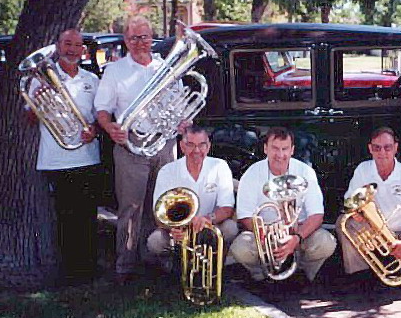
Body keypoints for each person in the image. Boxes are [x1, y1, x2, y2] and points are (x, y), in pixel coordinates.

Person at [94, 15, 178, 284]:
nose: (139, 43)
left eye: (144, 37)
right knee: (130, 208)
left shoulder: (166, 68)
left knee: (163, 205)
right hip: (131, 145)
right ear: (126, 41)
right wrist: (110, 128)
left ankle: (158, 258)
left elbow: (177, 104)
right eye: (133, 38)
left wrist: (182, 119)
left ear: (151, 38)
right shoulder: (115, 71)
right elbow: (102, 110)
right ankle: (126, 265)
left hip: (164, 144)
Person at [25, 28, 101, 283]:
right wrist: (39, 103)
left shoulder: (92, 79)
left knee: (88, 214)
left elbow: (101, 116)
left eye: (77, 45)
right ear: (58, 47)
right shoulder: (40, 79)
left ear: (83, 50)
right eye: (67, 44)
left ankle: (90, 268)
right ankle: (70, 271)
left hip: (88, 157)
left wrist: (95, 130)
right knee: (66, 216)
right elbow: (28, 118)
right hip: (57, 158)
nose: (72, 50)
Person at [230, 127, 336, 285]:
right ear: (266, 148)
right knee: (241, 248)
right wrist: (267, 236)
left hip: (299, 233)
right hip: (265, 233)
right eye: (275, 148)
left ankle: (303, 273)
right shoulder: (252, 173)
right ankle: (261, 276)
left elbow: (317, 215)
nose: (280, 155)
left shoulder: (305, 172)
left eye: (285, 149)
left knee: (326, 243)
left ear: (292, 150)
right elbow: (245, 216)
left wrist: (296, 237)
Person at [337, 126, 401, 280]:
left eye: (387, 147)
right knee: (344, 222)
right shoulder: (363, 169)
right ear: (370, 149)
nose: (382, 153)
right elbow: (350, 203)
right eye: (377, 148)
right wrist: (355, 213)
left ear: (395, 148)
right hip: (375, 230)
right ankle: (360, 276)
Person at [146, 125, 239, 272]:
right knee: (155, 241)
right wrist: (173, 229)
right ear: (182, 146)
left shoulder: (220, 166)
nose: (196, 151)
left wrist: (208, 219)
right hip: (179, 231)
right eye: (190, 145)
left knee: (230, 228)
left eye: (202, 145)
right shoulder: (167, 170)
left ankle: (217, 263)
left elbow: (227, 209)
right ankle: (173, 264)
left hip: (210, 227)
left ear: (208, 146)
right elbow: (158, 215)